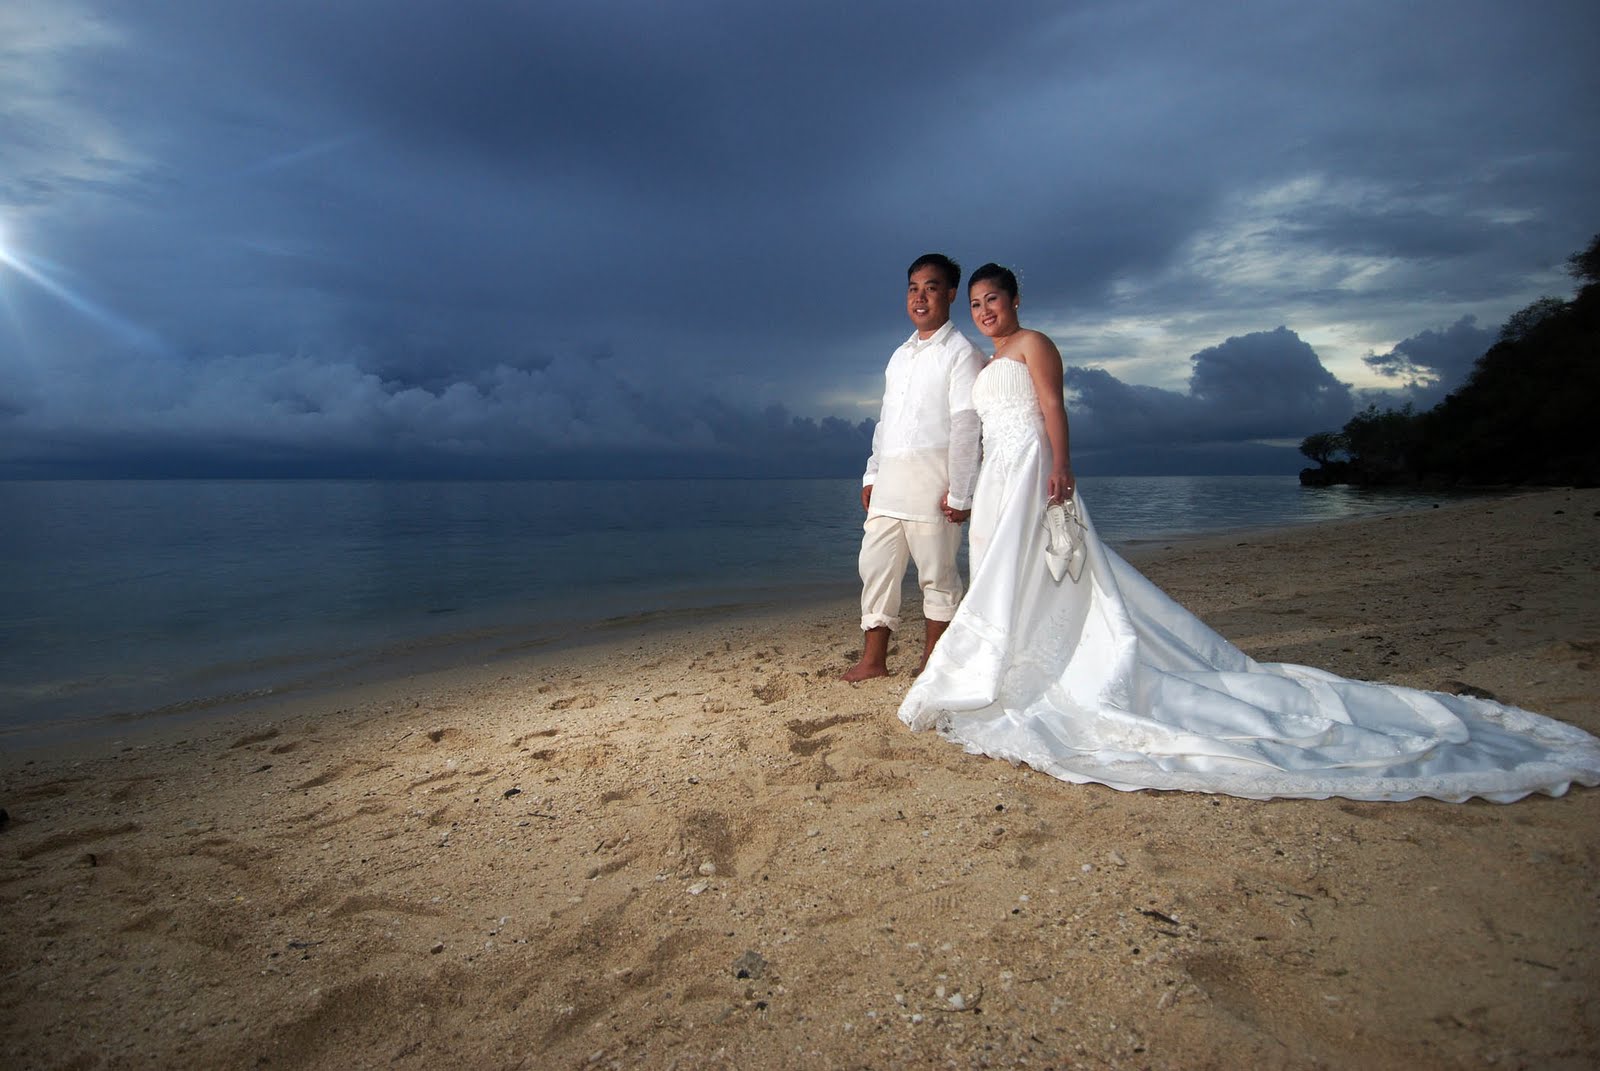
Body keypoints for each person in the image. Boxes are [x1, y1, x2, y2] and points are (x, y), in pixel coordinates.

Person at [897, 263, 1600, 803]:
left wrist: (1064, 469)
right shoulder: (986, 365)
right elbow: (981, 428)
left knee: (1038, 570)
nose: (987, 312)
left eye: (996, 300)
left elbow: (1051, 407)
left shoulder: (1033, 346)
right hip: (996, 479)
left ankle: (1031, 667)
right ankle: (1006, 658)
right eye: (979, 304)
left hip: (1034, 470)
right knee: (998, 569)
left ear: (1016, 300)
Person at [843, 253, 985, 682]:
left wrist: (961, 492)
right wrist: (872, 473)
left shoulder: (963, 353)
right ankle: (873, 661)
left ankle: (933, 662)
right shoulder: (900, 354)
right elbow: (887, 421)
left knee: (937, 575)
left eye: (931, 287)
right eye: (913, 288)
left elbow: (966, 425)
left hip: (933, 485)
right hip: (889, 484)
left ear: (951, 294)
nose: (920, 297)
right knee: (875, 569)